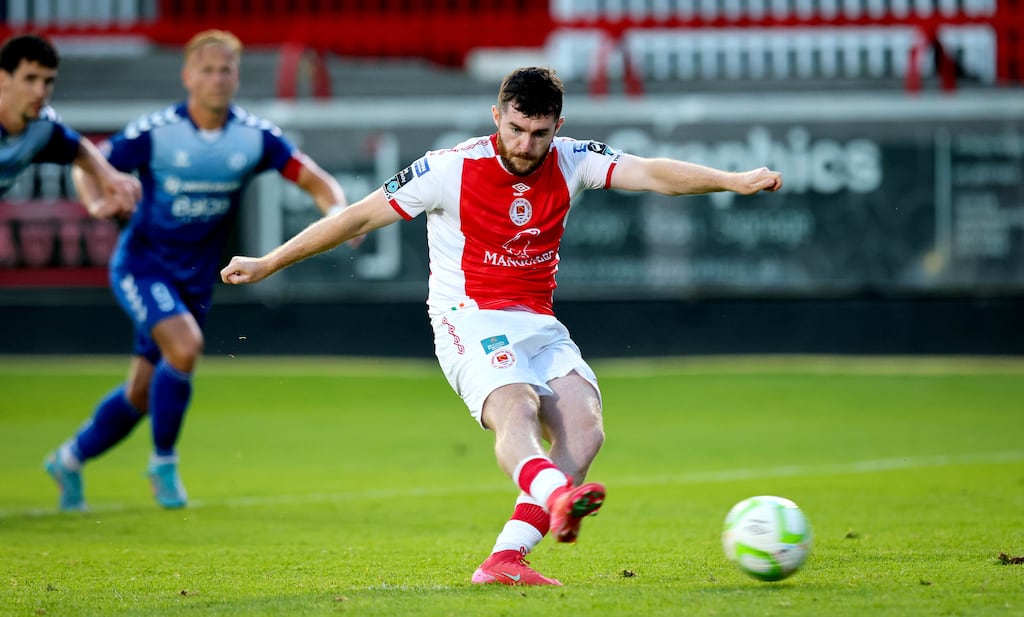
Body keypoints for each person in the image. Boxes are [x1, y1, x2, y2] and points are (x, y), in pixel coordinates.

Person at [220, 67, 783, 585]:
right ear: (497, 116)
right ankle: (556, 495)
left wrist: (731, 181)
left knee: (586, 431)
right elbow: (357, 215)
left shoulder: (572, 158)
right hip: (467, 317)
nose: (525, 145)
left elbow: (653, 172)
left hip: (537, 321)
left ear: (557, 126)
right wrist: (269, 262)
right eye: (516, 129)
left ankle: (505, 558)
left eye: (539, 133)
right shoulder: (447, 168)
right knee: (516, 409)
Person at [43, 29, 351, 512]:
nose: (217, 77)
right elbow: (87, 164)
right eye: (206, 68)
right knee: (185, 348)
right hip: (143, 266)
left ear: (237, 76)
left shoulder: (253, 137)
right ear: (187, 76)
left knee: (142, 394)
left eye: (226, 68)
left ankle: (68, 459)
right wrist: (95, 197)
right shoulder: (158, 130)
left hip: (193, 279)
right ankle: (163, 464)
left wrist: (338, 213)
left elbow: (317, 181)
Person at [0, 33, 139, 213]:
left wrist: (109, 177)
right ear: (3, 79)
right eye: (30, 79)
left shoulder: (42, 127)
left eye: (48, 81)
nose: (40, 92)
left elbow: (77, 149)